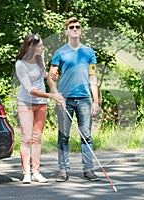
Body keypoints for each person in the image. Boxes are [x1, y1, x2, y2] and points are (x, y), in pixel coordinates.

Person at [48, 17, 100, 182]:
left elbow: (93, 76)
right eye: (72, 27)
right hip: (65, 99)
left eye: (78, 27)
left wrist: (96, 101)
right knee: (63, 136)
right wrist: (56, 94)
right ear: (67, 31)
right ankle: (63, 170)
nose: (75, 29)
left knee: (86, 135)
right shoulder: (60, 52)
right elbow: (51, 77)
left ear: (81, 30)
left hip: (84, 99)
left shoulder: (89, 52)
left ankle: (88, 170)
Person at [15, 34, 64, 184]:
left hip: (41, 103)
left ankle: (36, 172)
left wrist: (51, 75)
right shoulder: (20, 64)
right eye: (40, 46)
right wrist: (51, 96)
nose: (43, 48)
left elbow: (42, 74)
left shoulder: (40, 57)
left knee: (36, 138)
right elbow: (29, 89)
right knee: (26, 137)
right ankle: (27, 173)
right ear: (31, 47)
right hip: (26, 103)